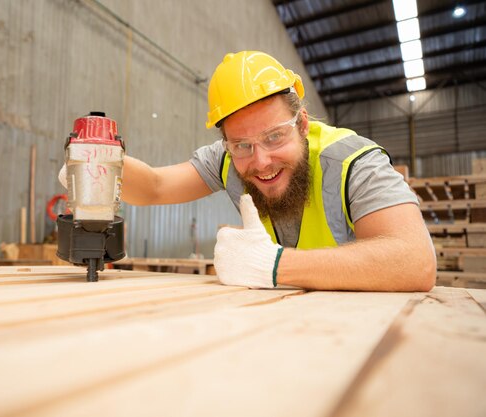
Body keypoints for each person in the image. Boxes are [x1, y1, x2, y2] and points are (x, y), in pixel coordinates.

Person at [60, 50, 436, 291]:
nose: (260, 161)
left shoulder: (354, 163)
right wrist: (101, 167)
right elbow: (156, 187)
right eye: (242, 145)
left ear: (302, 124)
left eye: (275, 137)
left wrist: (275, 267)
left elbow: (414, 261)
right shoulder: (227, 158)